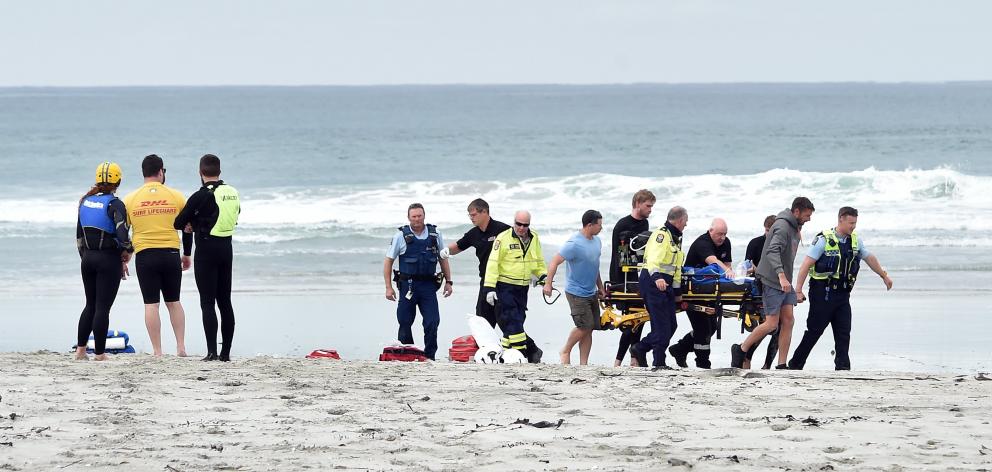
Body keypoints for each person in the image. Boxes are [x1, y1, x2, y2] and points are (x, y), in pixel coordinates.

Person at [788, 207, 893, 370]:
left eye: (855, 223)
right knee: (814, 331)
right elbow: (805, 265)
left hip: (843, 295)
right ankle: (795, 364)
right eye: (851, 223)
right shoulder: (823, 239)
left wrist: (883, 275)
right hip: (822, 294)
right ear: (841, 220)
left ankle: (843, 368)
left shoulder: (856, 241)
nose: (853, 226)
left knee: (843, 332)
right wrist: (798, 290)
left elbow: (869, 258)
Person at [439, 199, 543, 362]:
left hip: (504, 283)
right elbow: (459, 245)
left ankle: (529, 350)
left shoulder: (502, 230)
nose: (471, 218)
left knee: (506, 319)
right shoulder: (474, 233)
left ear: (484, 212)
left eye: (473, 215)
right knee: (483, 318)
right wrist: (445, 251)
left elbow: (522, 247)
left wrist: (535, 274)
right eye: (469, 215)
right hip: (486, 282)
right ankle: (489, 352)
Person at [731, 197, 815, 369]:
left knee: (789, 320)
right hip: (772, 279)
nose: (809, 219)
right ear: (796, 211)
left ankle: (781, 364)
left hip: (784, 281)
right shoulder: (783, 226)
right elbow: (771, 251)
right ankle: (741, 349)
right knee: (771, 323)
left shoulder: (794, 227)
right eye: (807, 215)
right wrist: (782, 276)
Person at [173, 154, 241, 362]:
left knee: (207, 302)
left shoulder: (199, 196)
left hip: (205, 250)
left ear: (200, 172)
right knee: (225, 302)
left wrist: (193, 222)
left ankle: (212, 352)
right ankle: (226, 353)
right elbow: (235, 215)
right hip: (226, 249)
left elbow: (178, 223)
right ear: (219, 171)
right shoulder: (232, 192)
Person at [123, 154, 192, 357]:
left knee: (151, 304)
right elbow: (188, 228)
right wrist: (187, 254)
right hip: (171, 254)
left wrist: (125, 256)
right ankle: (181, 347)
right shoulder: (177, 196)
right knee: (174, 302)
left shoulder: (130, 199)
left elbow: (123, 232)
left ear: (143, 173)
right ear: (161, 171)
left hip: (145, 256)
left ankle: (157, 351)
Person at [75, 162, 134, 361]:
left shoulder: (85, 201)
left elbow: (79, 236)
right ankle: (100, 354)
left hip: (88, 259)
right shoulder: (115, 204)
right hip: (107, 260)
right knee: (102, 308)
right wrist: (127, 251)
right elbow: (122, 234)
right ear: (118, 181)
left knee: (89, 305)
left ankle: (81, 351)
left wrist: (86, 258)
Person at [383, 203, 453, 360]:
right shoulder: (400, 236)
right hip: (408, 286)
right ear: (408, 218)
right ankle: (409, 355)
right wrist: (388, 287)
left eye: (419, 216)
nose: (417, 219)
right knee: (404, 321)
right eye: (413, 216)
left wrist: (449, 281)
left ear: (424, 216)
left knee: (432, 321)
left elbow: (443, 258)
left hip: (428, 286)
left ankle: (429, 357)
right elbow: (388, 261)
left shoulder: (435, 234)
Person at [668, 218, 733, 368]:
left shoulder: (726, 242)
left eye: (725, 234)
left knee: (712, 327)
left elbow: (727, 264)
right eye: (719, 234)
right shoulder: (702, 243)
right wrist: (728, 271)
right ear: (710, 231)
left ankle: (679, 349)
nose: (722, 238)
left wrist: (730, 275)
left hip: (710, 290)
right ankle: (703, 363)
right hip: (692, 291)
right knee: (703, 329)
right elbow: (713, 261)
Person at [628, 206, 687, 370]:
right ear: (679, 220)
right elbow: (653, 260)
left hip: (665, 284)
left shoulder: (673, 238)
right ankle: (659, 362)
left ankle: (640, 348)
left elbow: (675, 270)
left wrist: (677, 294)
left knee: (671, 325)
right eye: (685, 222)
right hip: (653, 282)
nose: (686, 225)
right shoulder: (661, 236)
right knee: (661, 326)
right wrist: (657, 278)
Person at [545, 210, 606, 365]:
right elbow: (554, 261)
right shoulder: (573, 244)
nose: (601, 228)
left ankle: (583, 364)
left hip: (591, 291)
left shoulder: (597, 241)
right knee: (585, 325)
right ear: (589, 225)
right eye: (599, 225)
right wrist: (548, 283)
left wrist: (600, 287)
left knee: (590, 328)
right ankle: (565, 350)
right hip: (576, 291)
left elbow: (594, 266)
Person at [483, 210, 547, 360]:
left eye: (525, 225)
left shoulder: (534, 238)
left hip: (523, 288)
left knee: (518, 318)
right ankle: (522, 353)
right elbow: (493, 264)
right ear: (514, 222)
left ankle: (505, 352)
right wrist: (489, 288)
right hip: (505, 286)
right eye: (519, 224)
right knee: (513, 320)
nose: (521, 228)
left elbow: (538, 261)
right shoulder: (503, 238)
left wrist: (543, 277)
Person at [610, 190, 655, 367]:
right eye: (648, 206)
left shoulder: (645, 223)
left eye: (651, 206)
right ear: (637, 203)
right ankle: (618, 361)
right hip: (621, 277)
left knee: (639, 319)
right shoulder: (622, 225)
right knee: (630, 321)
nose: (650, 209)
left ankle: (633, 360)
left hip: (637, 275)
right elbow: (621, 257)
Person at [743, 214, 779, 369]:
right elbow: (746, 269)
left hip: (776, 289)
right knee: (767, 326)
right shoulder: (756, 243)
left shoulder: (780, 245)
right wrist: (755, 270)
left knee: (779, 328)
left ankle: (767, 365)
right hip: (758, 290)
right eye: (766, 230)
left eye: (772, 231)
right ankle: (746, 356)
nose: (768, 234)